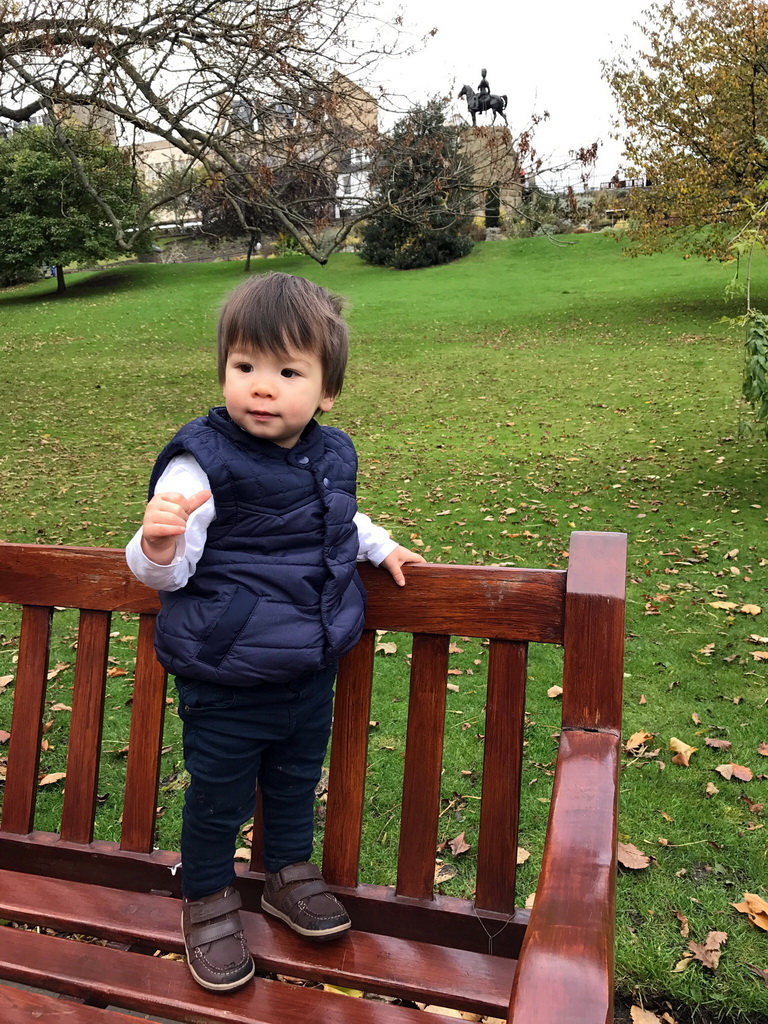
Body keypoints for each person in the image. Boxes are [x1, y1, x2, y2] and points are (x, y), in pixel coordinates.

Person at [126, 272, 425, 992]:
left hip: (306, 668)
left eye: (287, 371)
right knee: (219, 795)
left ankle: (287, 874)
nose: (263, 386)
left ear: (325, 392)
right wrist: (157, 544)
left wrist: (380, 547)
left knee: (294, 782)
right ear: (225, 369)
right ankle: (205, 898)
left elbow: (335, 519)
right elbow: (162, 574)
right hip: (226, 676)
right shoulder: (201, 462)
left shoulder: (328, 454)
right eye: (246, 366)